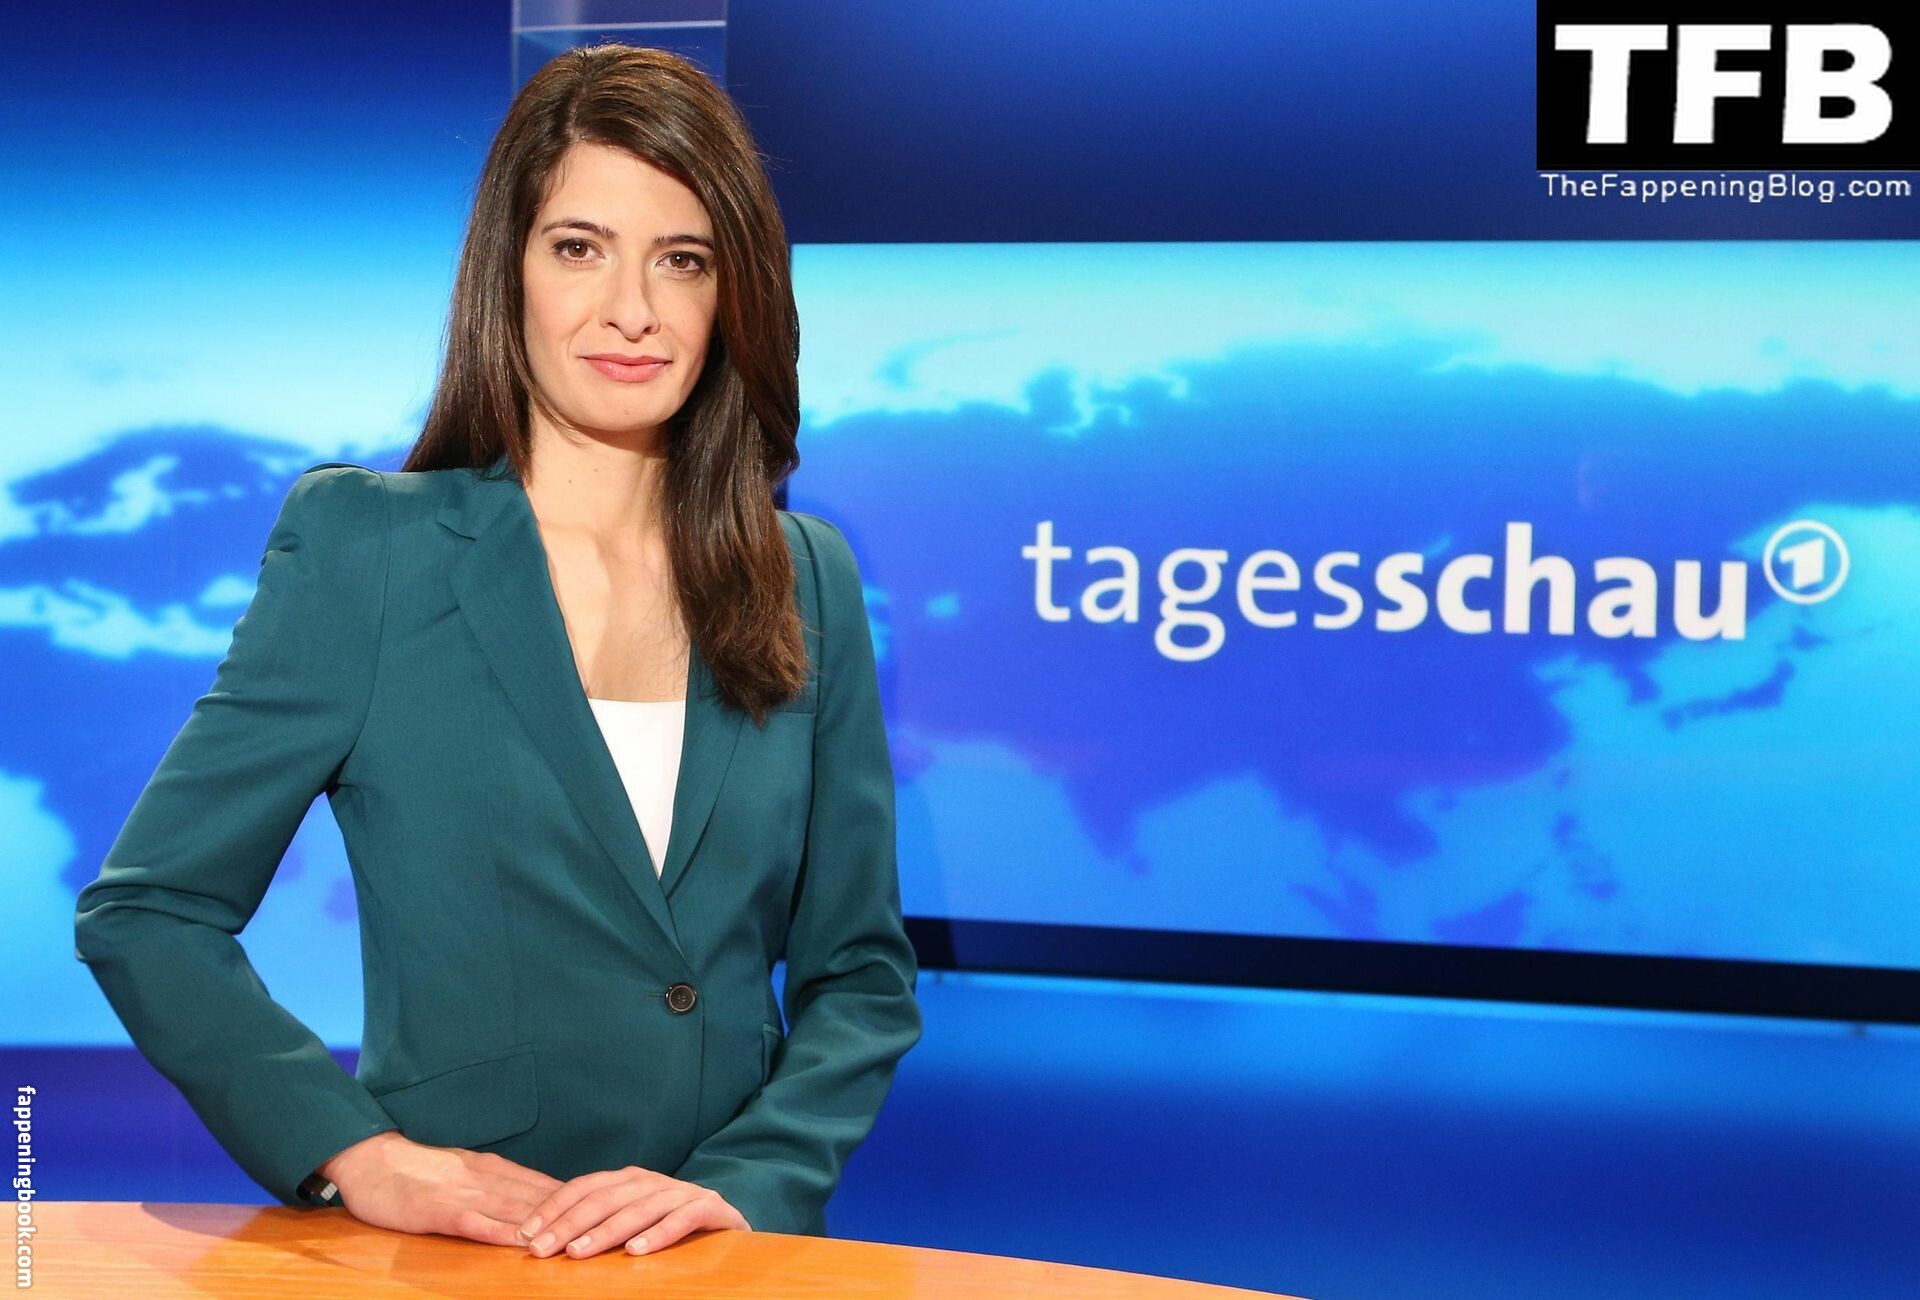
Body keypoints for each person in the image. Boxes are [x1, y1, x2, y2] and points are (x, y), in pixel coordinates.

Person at [71, 43, 921, 1259]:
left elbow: (860, 974)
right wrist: (355, 1153)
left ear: (733, 292)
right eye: (580, 248)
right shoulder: (370, 549)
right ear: (506, 270)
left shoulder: (806, 576)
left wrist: (753, 1180)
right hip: (464, 1258)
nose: (633, 309)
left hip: (731, 1257)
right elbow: (148, 911)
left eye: (683, 259)